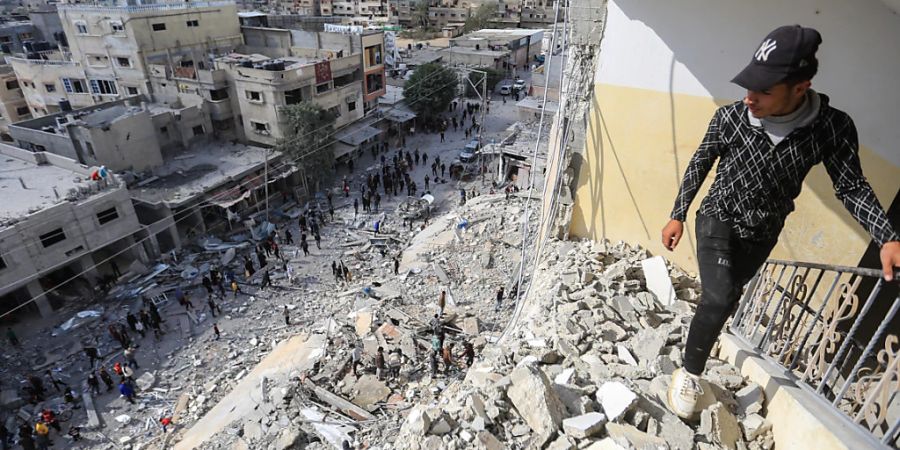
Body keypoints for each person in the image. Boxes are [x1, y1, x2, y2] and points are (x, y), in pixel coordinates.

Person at [662, 25, 900, 420]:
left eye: (763, 91)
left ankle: (704, 330)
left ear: (800, 88)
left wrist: (886, 236)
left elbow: (851, 186)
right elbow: (700, 162)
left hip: (763, 233)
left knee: (729, 296)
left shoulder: (831, 128)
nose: (748, 97)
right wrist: (678, 213)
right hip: (718, 216)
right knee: (719, 297)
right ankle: (689, 372)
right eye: (748, 85)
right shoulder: (732, 119)